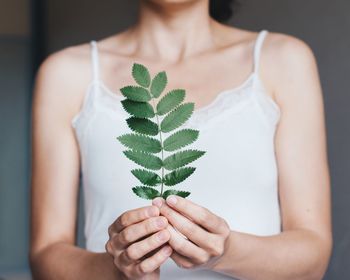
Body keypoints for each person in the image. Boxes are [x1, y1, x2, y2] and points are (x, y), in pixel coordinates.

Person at [29, 0, 332, 279]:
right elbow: (46, 254)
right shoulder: (67, 74)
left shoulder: (282, 59)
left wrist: (228, 252)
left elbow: (314, 255)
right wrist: (118, 269)